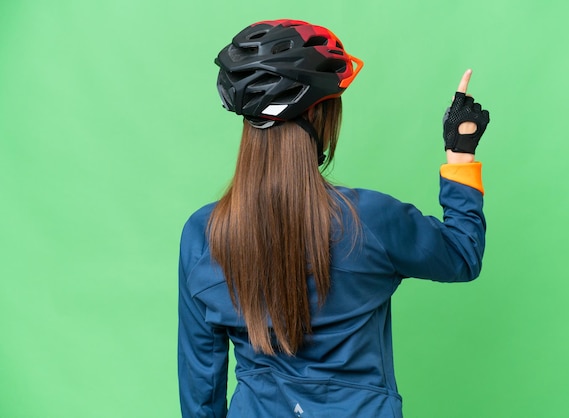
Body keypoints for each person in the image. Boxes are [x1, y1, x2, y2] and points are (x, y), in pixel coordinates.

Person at [178, 19, 490, 418]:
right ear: (323, 117)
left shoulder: (204, 236)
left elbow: (200, 389)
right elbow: (462, 254)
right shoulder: (369, 221)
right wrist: (461, 150)